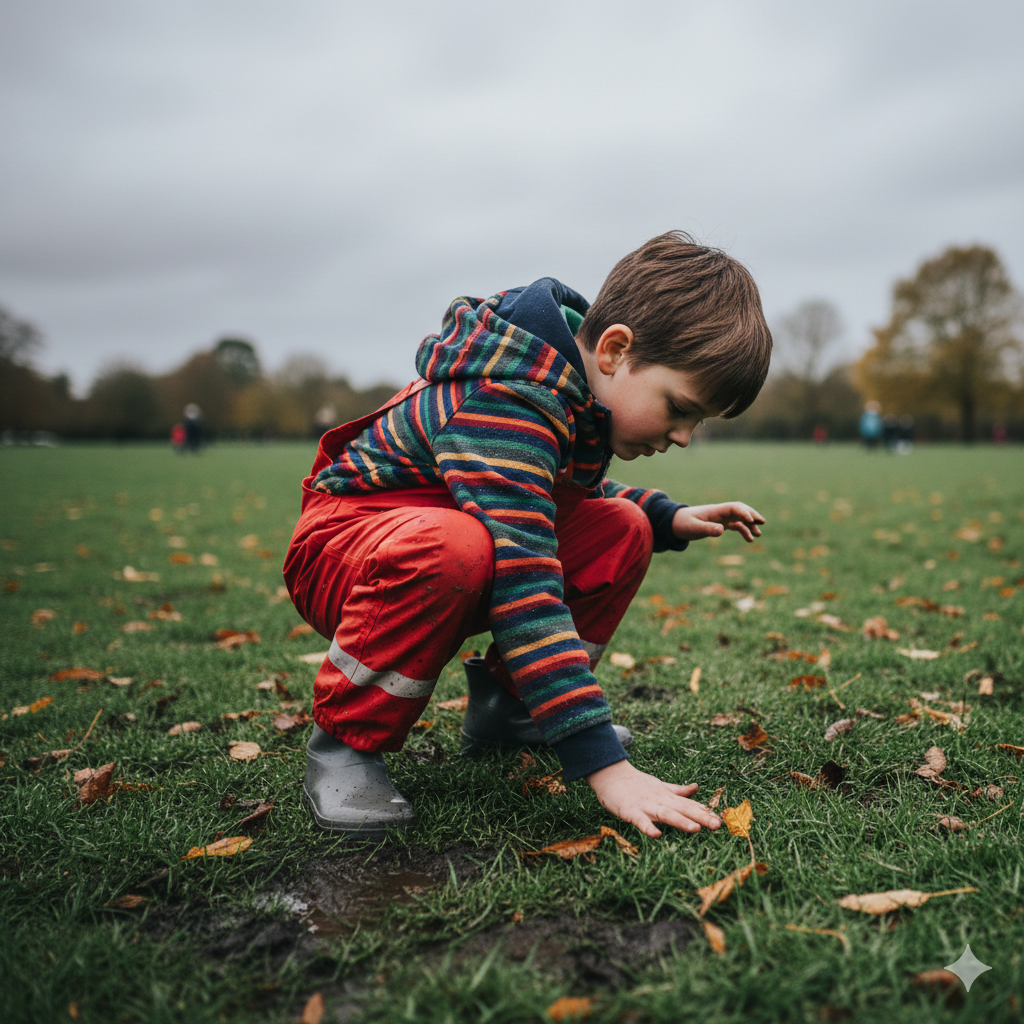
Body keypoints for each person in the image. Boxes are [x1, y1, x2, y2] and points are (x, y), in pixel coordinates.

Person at [284, 231, 771, 840]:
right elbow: (524, 573)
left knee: (624, 528)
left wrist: (664, 515)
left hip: (448, 545)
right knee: (457, 546)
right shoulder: (507, 397)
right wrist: (603, 764)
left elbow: (545, 496)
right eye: (679, 408)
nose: (682, 437)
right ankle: (344, 744)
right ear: (616, 350)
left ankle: (509, 710)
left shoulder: (571, 392)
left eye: (697, 423)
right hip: (345, 553)